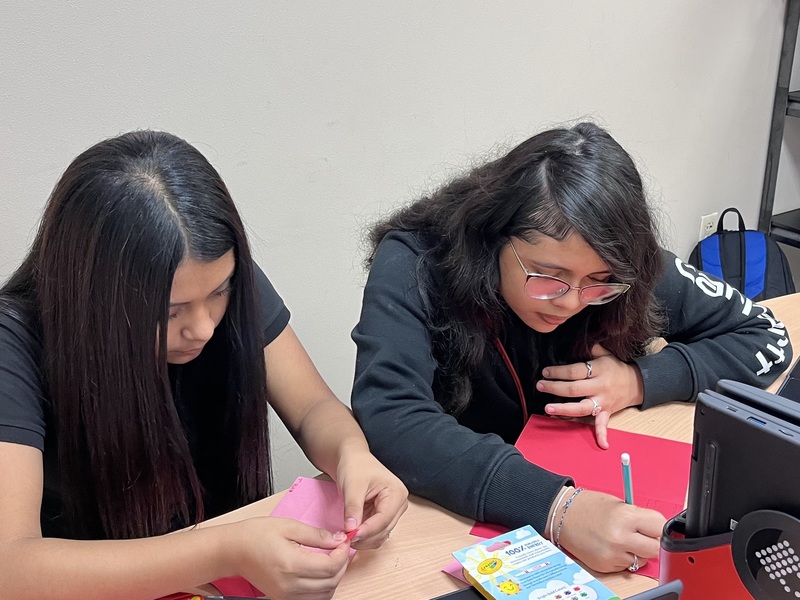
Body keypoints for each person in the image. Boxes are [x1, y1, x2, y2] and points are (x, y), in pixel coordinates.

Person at [351, 122, 791, 574]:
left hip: (582, 478)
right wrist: (557, 509)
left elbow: (768, 335)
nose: (570, 300)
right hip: (450, 512)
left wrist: (640, 380)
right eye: (548, 275)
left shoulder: (620, 265)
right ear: (494, 236)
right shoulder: (415, 261)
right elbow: (390, 413)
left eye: (599, 284)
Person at [0, 130, 407, 600]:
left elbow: (313, 406)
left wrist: (352, 455)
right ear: (93, 297)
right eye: (170, 312)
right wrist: (223, 550)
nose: (204, 328)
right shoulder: (15, 343)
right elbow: (12, 565)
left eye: (219, 292)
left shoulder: (221, 280)